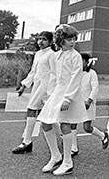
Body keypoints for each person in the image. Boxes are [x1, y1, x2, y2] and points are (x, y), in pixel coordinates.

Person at [36, 24, 88, 175]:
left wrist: (68, 98)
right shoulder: (56, 55)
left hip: (69, 94)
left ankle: (67, 162)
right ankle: (55, 155)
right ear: (60, 40)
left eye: (74, 39)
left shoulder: (75, 56)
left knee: (65, 125)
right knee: (45, 123)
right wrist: (50, 93)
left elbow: (76, 78)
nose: (72, 42)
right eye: (69, 39)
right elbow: (53, 75)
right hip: (57, 92)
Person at [12, 31, 56, 154]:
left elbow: (54, 74)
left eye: (44, 39)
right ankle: (27, 142)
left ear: (50, 42)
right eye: (39, 39)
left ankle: (27, 142)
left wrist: (51, 91)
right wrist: (24, 85)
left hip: (45, 88)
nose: (41, 41)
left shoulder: (52, 55)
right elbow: (33, 72)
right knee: (44, 115)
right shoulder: (38, 54)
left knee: (35, 111)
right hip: (37, 86)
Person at [69, 53, 109, 156]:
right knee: (72, 124)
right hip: (76, 102)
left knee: (87, 128)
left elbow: (95, 88)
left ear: (87, 62)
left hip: (88, 103)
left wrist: (89, 100)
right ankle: (74, 148)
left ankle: (102, 135)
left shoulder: (92, 73)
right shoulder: (75, 73)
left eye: (81, 61)